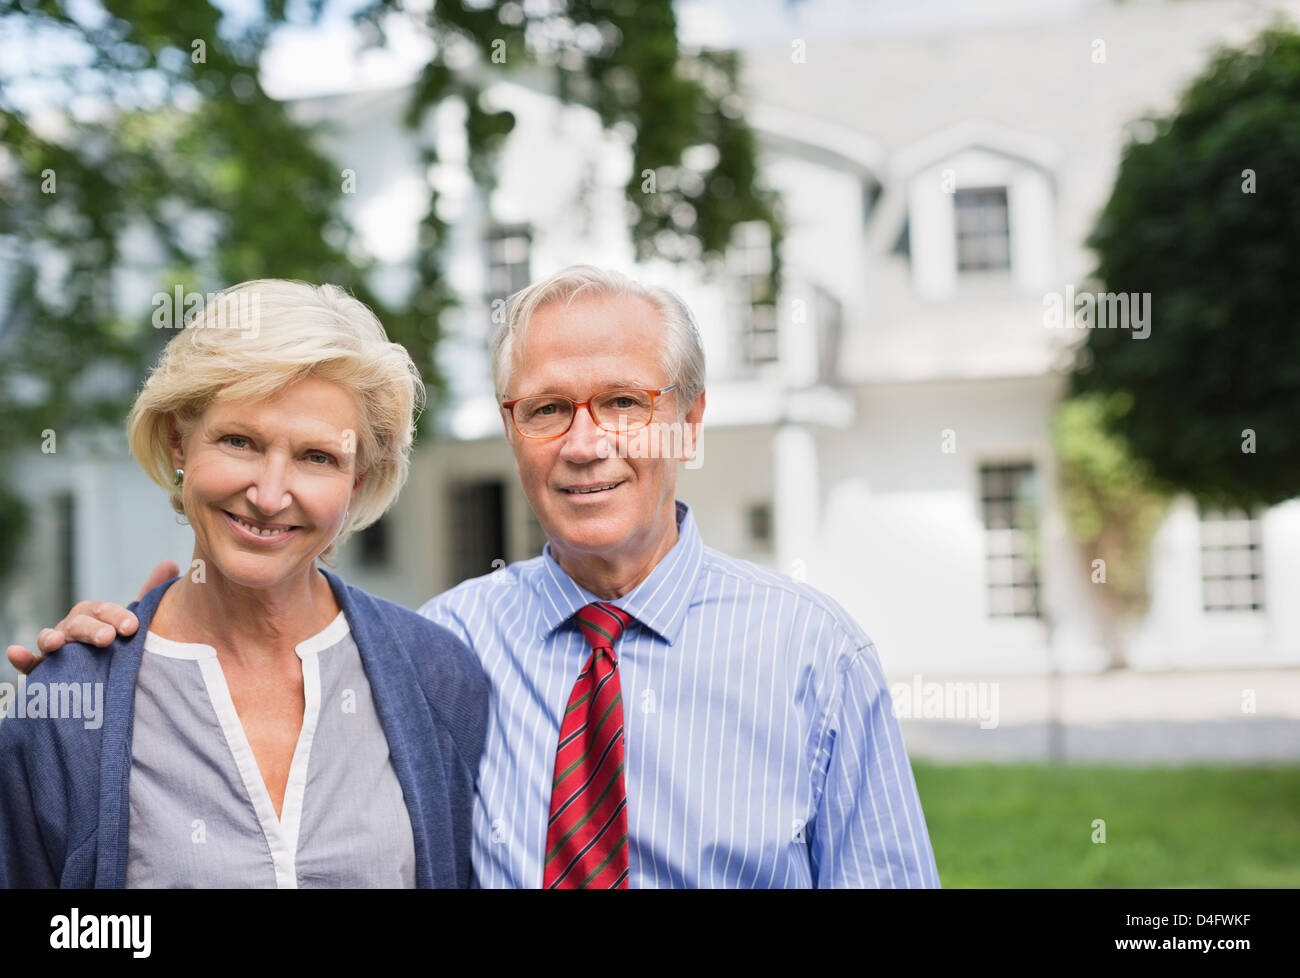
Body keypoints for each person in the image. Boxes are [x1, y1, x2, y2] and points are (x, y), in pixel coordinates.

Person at [9, 266, 939, 888]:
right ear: (512, 431)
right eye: (547, 410)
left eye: (624, 403)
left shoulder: (815, 655)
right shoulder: (446, 650)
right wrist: (99, 661)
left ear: (688, 426)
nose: (586, 444)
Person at [0, 280, 488, 888]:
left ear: (357, 483)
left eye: (317, 457)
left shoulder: (440, 677)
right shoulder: (67, 704)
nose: (269, 494)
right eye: (240, 441)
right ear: (180, 441)